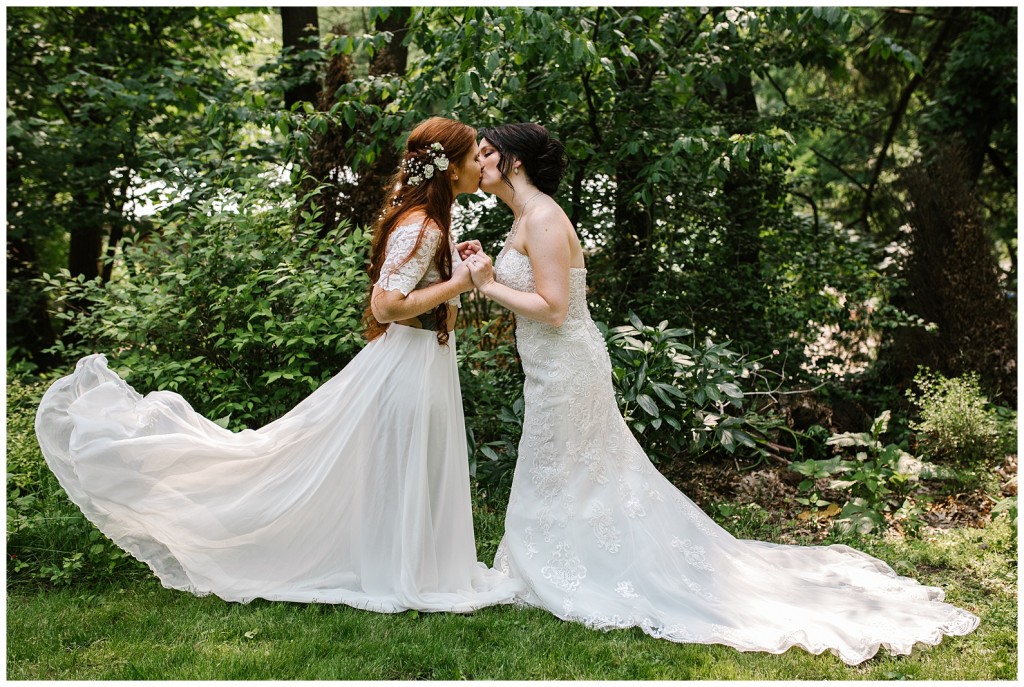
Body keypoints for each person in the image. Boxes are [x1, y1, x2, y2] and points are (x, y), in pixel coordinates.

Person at [461, 122, 979, 665]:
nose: (479, 161)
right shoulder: (525, 216)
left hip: (568, 366)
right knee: (570, 466)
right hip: (551, 366)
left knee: (570, 463)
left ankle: (571, 566)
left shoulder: (542, 217)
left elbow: (555, 308)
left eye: (487, 153)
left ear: (513, 162)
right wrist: (490, 270)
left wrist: (487, 284)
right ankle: (557, 559)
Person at [34, 116, 521, 613]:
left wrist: (459, 271)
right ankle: (401, 571)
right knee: (396, 466)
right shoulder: (422, 224)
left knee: (415, 466)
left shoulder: (433, 221)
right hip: (408, 366)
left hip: (426, 361)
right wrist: (461, 284)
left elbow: (428, 302)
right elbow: (386, 305)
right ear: (450, 165)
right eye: (471, 157)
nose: (478, 164)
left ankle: (421, 566)